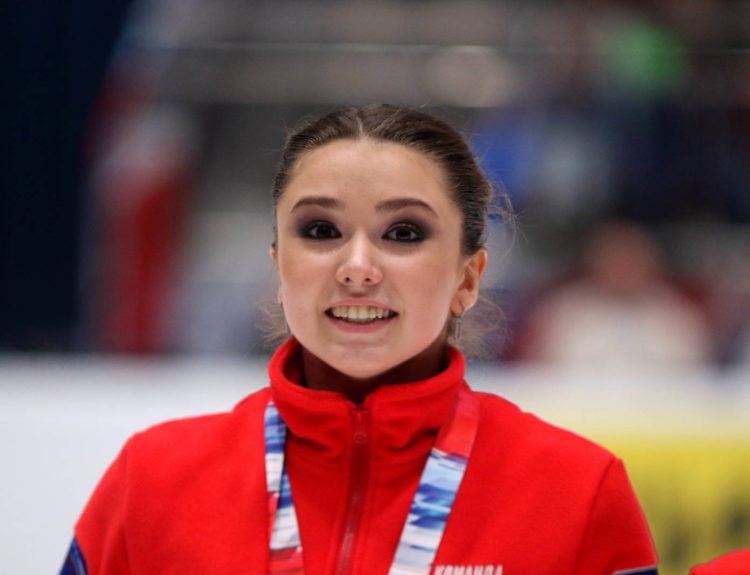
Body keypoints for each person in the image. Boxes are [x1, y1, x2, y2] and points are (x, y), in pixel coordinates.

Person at [61, 105, 659, 575]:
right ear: (278, 264)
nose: (357, 267)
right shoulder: (153, 482)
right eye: (321, 229)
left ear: (468, 278)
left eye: (404, 233)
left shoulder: (577, 491)